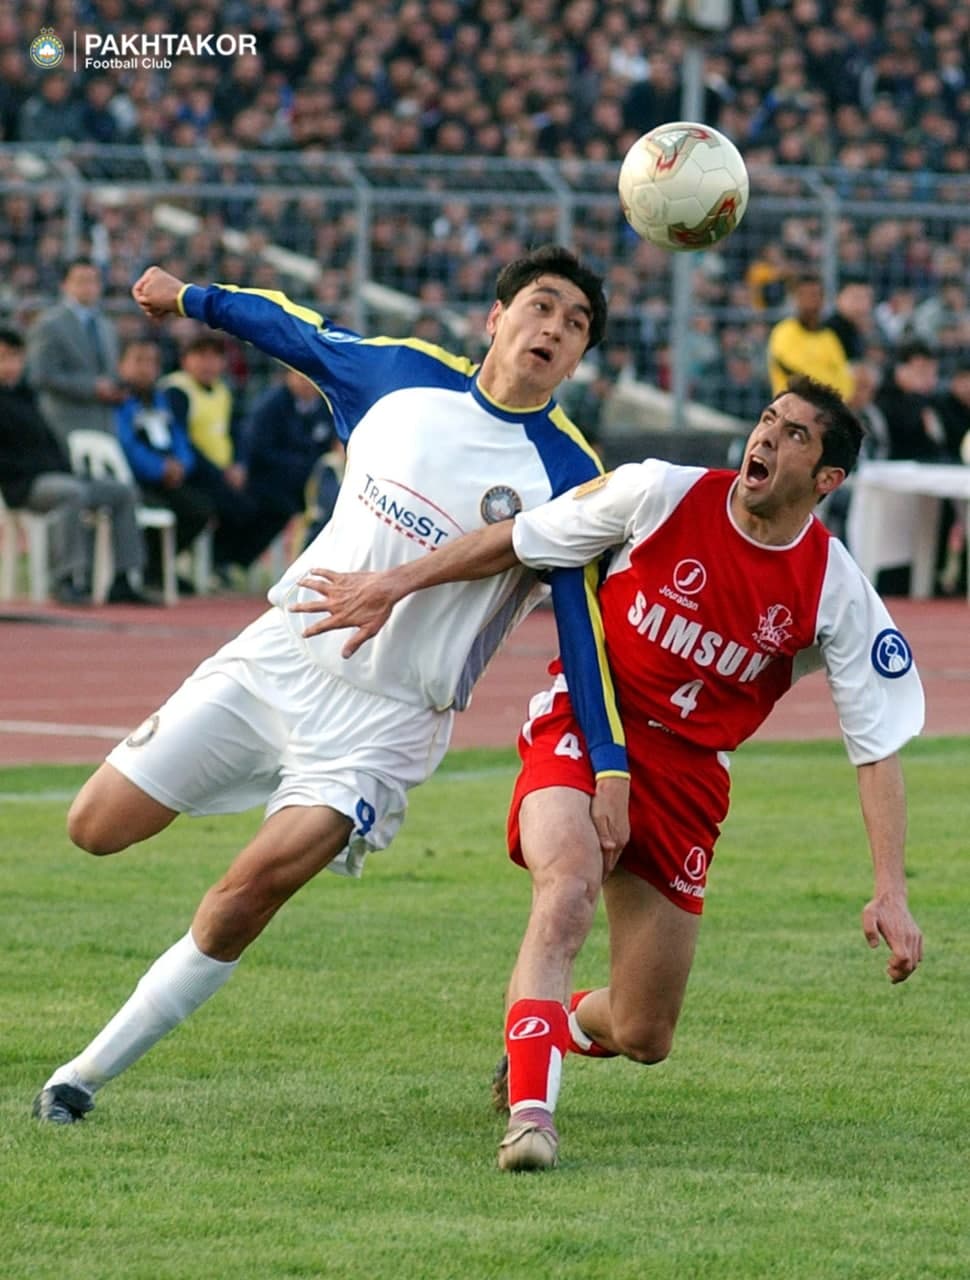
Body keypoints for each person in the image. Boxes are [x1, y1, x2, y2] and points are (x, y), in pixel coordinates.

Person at [31, 245, 630, 1134]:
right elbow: (292, 330)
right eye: (541, 307)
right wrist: (189, 297)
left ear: (578, 359)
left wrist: (610, 763)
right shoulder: (400, 376)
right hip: (279, 658)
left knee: (247, 892)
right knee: (95, 826)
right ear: (496, 317)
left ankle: (77, 1080)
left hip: (384, 725)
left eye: (576, 325)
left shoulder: (571, 475)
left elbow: (584, 632)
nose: (555, 329)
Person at [291, 375, 925, 1173]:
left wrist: (890, 889)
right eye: (768, 419)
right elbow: (521, 538)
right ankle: (531, 1119)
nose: (766, 436)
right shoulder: (659, 492)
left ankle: (546, 1028)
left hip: (690, 777)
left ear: (827, 478)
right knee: (566, 890)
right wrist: (393, 583)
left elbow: (876, 743)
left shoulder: (834, 586)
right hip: (590, 729)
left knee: (643, 1032)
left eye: (795, 434)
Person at [0, 327, 149, 606]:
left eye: (15, 358)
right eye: (3, 358)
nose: (10, 365)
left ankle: (123, 578)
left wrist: (65, 468)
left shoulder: (27, 396)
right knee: (71, 493)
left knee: (123, 492)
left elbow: (50, 445)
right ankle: (66, 579)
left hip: (57, 476)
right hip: (23, 485)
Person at [115, 338, 216, 590]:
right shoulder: (118, 401)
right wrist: (159, 468)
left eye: (152, 362)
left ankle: (157, 568)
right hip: (137, 479)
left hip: (170, 477)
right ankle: (149, 569)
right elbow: (126, 444)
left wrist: (181, 464)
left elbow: (179, 437)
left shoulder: (160, 400)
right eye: (138, 361)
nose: (145, 368)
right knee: (159, 512)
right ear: (121, 365)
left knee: (200, 510)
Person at [219, 366, 341, 570]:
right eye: (300, 377)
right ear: (287, 376)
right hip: (270, 480)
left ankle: (314, 566)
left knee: (333, 506)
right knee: (281, 509)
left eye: (311, 377)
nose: (307, 383)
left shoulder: (325, 407)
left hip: (313, 480)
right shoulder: (271, 405)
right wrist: (301, 465)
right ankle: (237, 562)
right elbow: (258, 448)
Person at [26, 258, 125, 449]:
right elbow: (40, 375)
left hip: (104, 421)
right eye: (81, 281)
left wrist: (116, 388)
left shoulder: (106, 325)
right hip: (65, 421)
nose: (89, 287)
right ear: (65, 285)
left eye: (94, 281)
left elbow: (111, 369)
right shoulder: (49, 325)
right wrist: (91, 387)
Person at [767, 274, 853, 401]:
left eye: (815, 295)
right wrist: (829, 379)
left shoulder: (829, 337)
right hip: (791, 407)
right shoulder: (784, 332)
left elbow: (845, 382)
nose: (811, 302)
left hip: (826, 409)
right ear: (795, 299)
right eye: (805, 296)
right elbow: (800, 375)